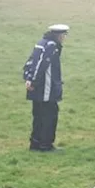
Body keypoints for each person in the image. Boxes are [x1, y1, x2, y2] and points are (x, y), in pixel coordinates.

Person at [23, 24, 68, 152]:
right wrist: (33, 81)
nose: (64, 38)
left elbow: (31, 62)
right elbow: (41, 65)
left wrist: (27, 77)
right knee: (49, 115)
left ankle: (35, 143)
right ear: (59, 35)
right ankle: (46, 144)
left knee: (38, 115)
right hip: (45, 89)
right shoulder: (51, 46)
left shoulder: (41, 43)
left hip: (38, 88)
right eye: (64, 35)